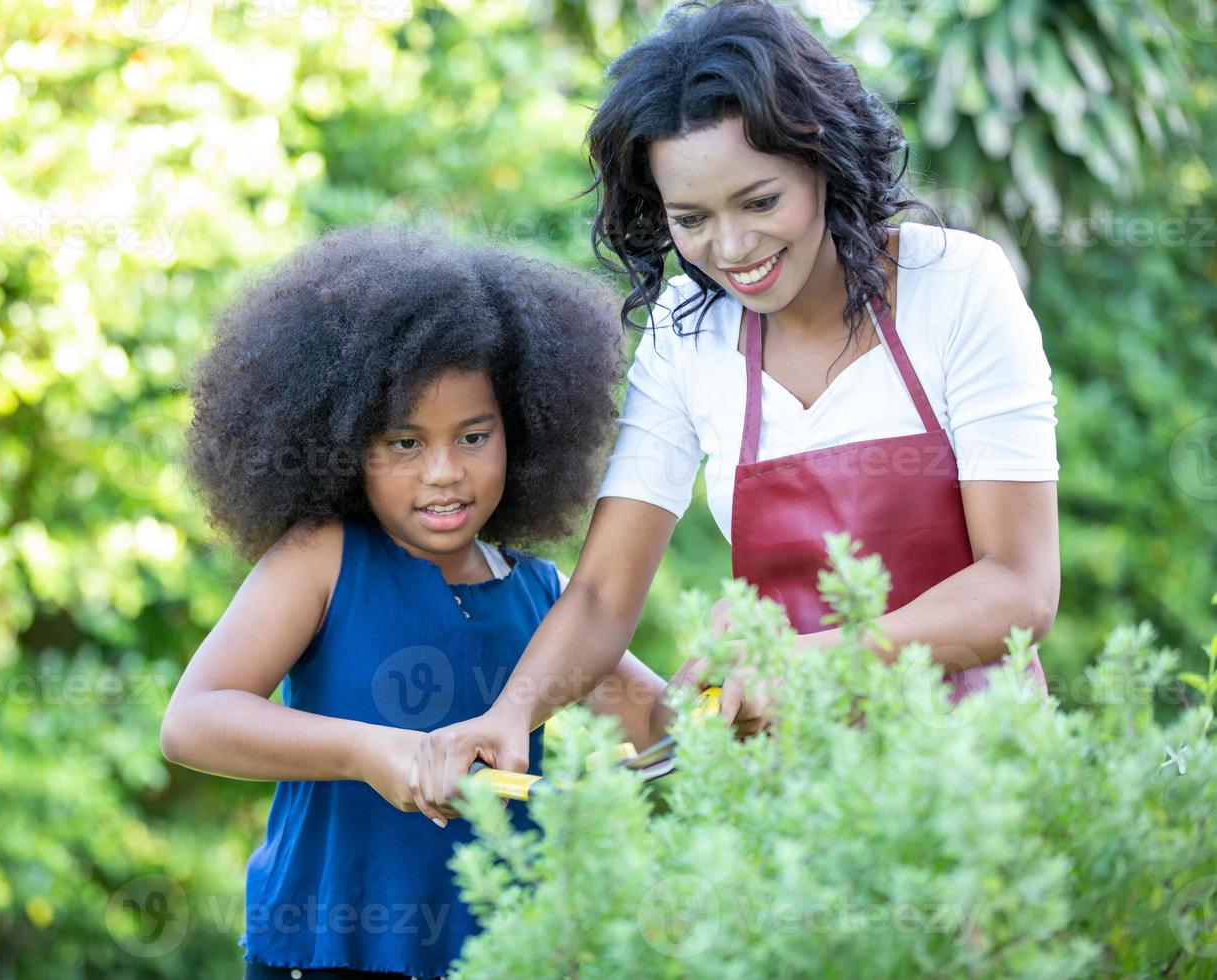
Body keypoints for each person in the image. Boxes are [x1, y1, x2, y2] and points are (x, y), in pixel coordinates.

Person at [409, 0, 1060, 825]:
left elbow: (1021, 587)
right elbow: (606, 595)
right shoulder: (687, 333)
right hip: (790, 800)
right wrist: (509, 718)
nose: (731, 249)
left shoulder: (956, 285)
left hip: (981, 779)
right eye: (691, 219)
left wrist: (804, 661)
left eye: (759, 202)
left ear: (821, 160)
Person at [160, 226, 670, 979]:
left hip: (505, 960)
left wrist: (734, 687)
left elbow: (667, 728)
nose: (443, 473)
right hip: (325, 956)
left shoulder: (548, 598)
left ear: (521, 433)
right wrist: (371, 752)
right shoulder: (324, 558)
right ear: (343, 441)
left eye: (473, 436)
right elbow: (193, 721)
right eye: (404, 443)